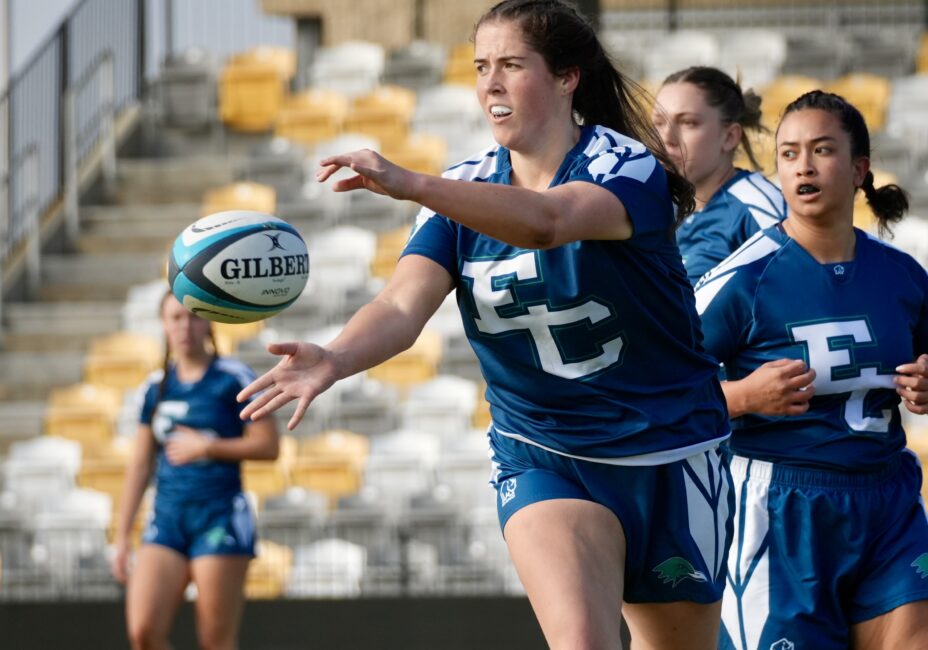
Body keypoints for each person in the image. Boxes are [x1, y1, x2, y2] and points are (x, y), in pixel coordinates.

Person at [238, 2, 733, 647]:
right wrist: (334, 358)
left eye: (510, 65)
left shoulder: (627, 166)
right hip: (544, 452)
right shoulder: (459, 188)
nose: (490, 84)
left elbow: (546, 222)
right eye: (480, 67)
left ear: (566, 78)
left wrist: (412, 183)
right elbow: (398, 308)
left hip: (671, 452)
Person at [694, 91, 928, 649]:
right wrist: (744, 396)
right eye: (789, 152)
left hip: (888, 501)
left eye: (822, 150)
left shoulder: (903, 275)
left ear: (859, 169)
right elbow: (651, 395)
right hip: (779, 511)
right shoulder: (742, 279)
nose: (803, 164)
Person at [111, 291, 279, 650]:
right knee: (143, 632)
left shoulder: (233, 377)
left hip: (219, 517)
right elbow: (140, 464)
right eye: (175, 318)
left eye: (193, 316)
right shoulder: (157, 388)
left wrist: (208, 446)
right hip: (167, 519)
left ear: (209, 322)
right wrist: (122, 535)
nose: (185, 326)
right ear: (164, 324)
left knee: (215, 640)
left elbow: (269, 446)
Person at [653, 66, 787, 285]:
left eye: (688, 122)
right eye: (658, 123)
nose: (666, 138)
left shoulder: (758, 211)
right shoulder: (659, 206)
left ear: (730, 136)